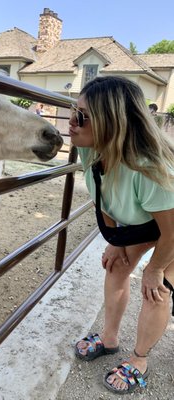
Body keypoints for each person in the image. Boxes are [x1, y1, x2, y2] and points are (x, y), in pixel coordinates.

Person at [69, 76, 174, 394]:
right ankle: (109, 338)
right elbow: (106, 199)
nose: (72, 122)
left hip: (171, 230)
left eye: (82, 117)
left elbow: (171, 231)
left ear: (111, 122)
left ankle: (139, 358)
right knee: (116, 266)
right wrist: (116, 242)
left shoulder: (148, 170)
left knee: (157, 290)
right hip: (147, 224)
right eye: (73, 111)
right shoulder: (92, 151)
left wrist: (155, 270)